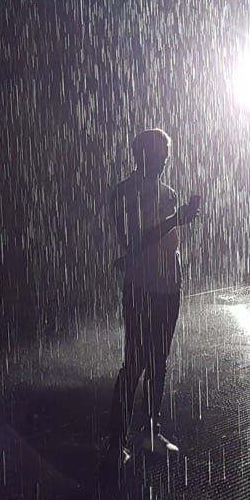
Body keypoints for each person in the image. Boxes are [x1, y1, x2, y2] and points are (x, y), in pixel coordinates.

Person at [101, 128, 201, 458]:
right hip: (142, 287)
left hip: (169, 287)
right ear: (141, 155)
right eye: (159, 155)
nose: (164, 161)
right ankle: (117, 442)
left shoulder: (168, 192)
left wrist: (179, 218)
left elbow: (162, 241)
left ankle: (150, 431)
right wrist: (177, 219)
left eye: (166, 156)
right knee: (135, 363)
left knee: (159, 362)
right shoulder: (124, 193)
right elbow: (136, 242)